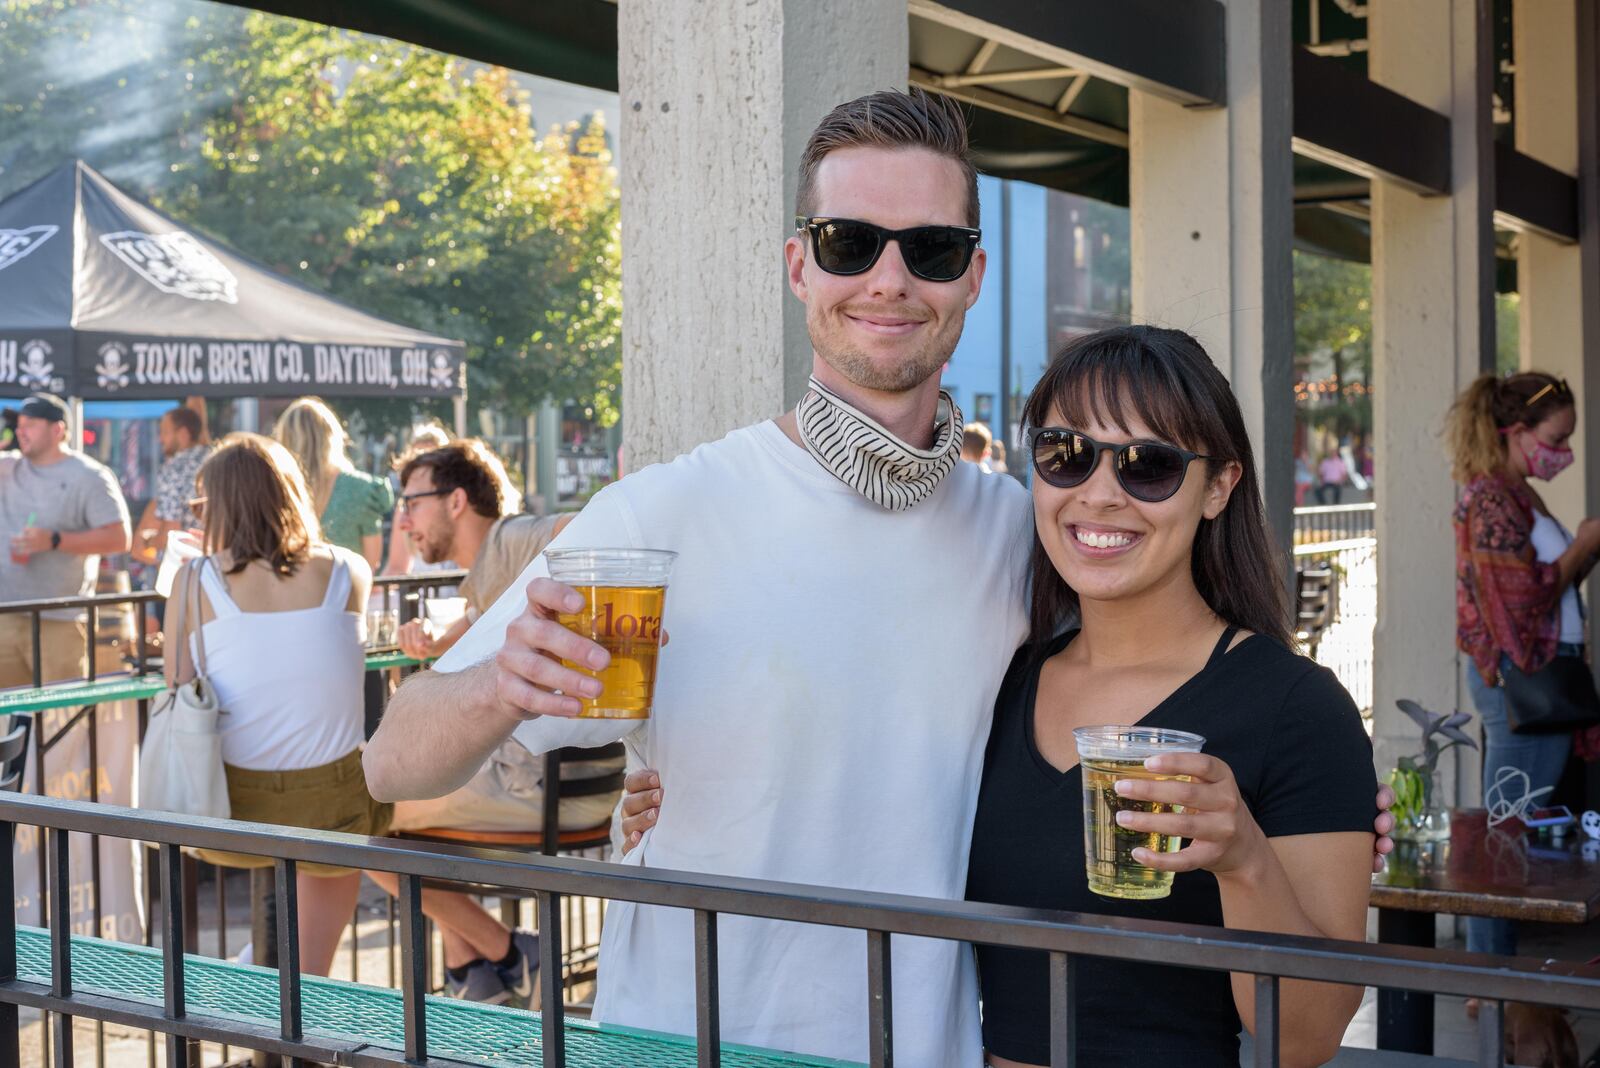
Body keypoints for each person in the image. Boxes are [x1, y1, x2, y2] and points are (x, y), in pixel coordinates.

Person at [363, 90, 1396, 1065]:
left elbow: (1177, 661)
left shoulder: (1024, 529)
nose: (889, 280)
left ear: (973, 278)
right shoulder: (664, 513)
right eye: (849, 244)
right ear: (798, 267)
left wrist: (1307, 795)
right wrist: (502, 687)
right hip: (690, 1041)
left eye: (932, 249)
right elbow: (396, 762)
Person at [621, 328, 1378, 1066]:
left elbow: (1301, 1043)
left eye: (1149, 466)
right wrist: (686, 805)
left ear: (1218, 487)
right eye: (1066, 456)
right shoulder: (1004, 678)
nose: (1101, 495)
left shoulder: (1299, 712)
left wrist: (1244, 860)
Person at [367, 439, 599, 1006]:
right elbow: (477, 622)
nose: (404, 521)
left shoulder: (510, 538)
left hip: (545, 786)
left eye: (412, 502)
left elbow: (598, 526)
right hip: (563, 783)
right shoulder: (488, 575)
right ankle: (480, 973)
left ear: (455, 501)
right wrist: (432, 637)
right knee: (411, 817)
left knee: (349, 817)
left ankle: (508, 953)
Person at [162, 433, 389, 978]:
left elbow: (178, 683)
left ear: (217, 505)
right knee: (311, 975)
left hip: (229, 812)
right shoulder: (350, 569)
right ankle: (298, 992)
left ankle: (261, 980)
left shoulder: (193, 579)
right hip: (335, 807)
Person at [1448, 372, 1600, 958]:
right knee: (1507, 826)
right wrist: (1582, 546)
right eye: (1556, 439)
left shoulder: (1516, 493)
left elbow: (1550, 593)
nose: (1562, 454)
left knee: (1516, 821)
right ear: (1516, 431)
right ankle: (1489, 979)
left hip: (1541, 673)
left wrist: (1580, 556)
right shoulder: (1490, 497)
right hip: (1522, 680)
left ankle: (1497, 974)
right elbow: (1518, 600)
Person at [0, 393, 131, 688]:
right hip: (5, 615)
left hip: (59, 619)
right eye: (19, 424)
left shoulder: (90, 476)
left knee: (60, 721)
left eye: (30, 424)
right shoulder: (7, 466)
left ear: (57, 430)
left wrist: (55, 540)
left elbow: (119, 539)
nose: (21, 431)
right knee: (6, 724)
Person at [274, 397, 394, 572]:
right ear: (333, 436)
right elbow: (370, 564)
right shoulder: (362, 490)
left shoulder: (274, 490)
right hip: (346, 595)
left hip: (289, 595)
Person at [382, 422, 453, 577]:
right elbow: (397, 567)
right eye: (418, 459)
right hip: (422, 594)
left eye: (432, 459)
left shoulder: (457, 505)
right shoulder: (404, 512)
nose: (424, 468)